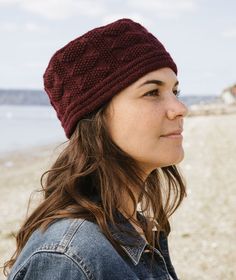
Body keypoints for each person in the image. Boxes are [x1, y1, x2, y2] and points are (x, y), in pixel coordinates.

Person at [4, 18, 188, 279]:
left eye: (175, 91)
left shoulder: (132, 227)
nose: (180, 108)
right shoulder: (70, 255)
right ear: (96, 117)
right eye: (152, 92)